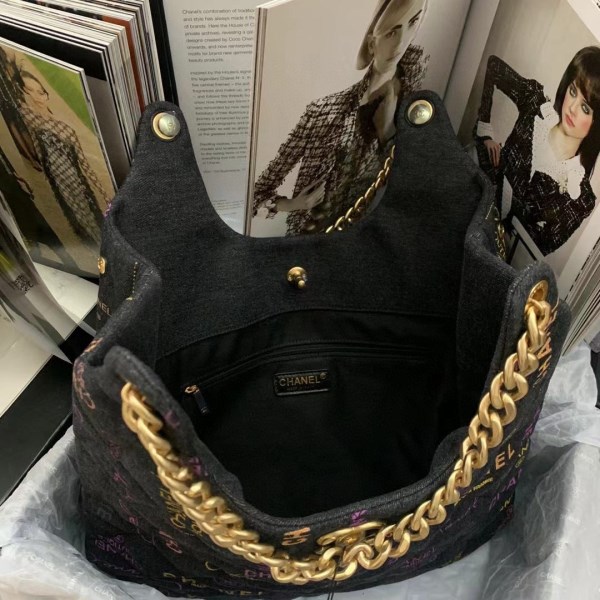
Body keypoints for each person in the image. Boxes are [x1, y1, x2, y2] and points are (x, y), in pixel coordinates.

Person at [252, 0, 429, 235]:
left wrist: (387, 133)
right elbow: (255, 195)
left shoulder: (417, 99)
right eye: (391, 32)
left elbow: (417, 187)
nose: (401, 42)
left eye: (412, 23)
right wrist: (294, 204)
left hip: (374, 238)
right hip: (310, 240)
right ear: (372, 44)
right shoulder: (323, 112)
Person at [474, 48, 600, 256]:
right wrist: (484, 131)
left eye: (585, 108)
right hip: (470, 200)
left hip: (491, 255)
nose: (572, 108)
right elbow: (494, 67)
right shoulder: (536, 105)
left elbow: (533, 250)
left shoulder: (580, 200)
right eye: (573, 91)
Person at [18, 70, 110, 253]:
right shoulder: (28, 117)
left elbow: (84, 165)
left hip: (78, 185)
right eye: (28, 91)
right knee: (77, 225)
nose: (35, 97)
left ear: (47, 95)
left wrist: (105, 195)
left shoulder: (65, 129)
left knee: (91, 222)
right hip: (58, 187)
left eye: (40, 92)